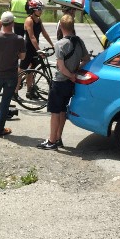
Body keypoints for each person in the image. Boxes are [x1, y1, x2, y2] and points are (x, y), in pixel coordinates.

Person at [38, 15, 90, 150]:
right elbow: (86, 59)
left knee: (55, 112)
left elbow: (61, 67)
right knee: (62, 111)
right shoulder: (79, 42)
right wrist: (75, 72)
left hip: (60, 81)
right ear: (73, 26)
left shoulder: (60, 44)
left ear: (61, 26)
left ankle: (51, 141)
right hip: (70, 83)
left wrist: (70, 75)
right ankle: (58, 138)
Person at [0, 11, 26, 137]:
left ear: (2, 22)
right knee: (5, 102)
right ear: (12, 23)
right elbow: (22, 57)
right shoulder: (19, 39)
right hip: (11, 74)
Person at [18, 0, 54, 96]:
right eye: (39, 9)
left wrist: (52, 45)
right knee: (21, 70)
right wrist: (39, 50)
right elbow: (32, 36)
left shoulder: (38, 20)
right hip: (27, 48)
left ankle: (29, 91)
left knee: (32, 70)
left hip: (34, 47)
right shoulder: (29, 20)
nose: (41, 11)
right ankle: (14, 92)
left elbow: (44, 33)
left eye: (41, 9)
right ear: (33, 10)